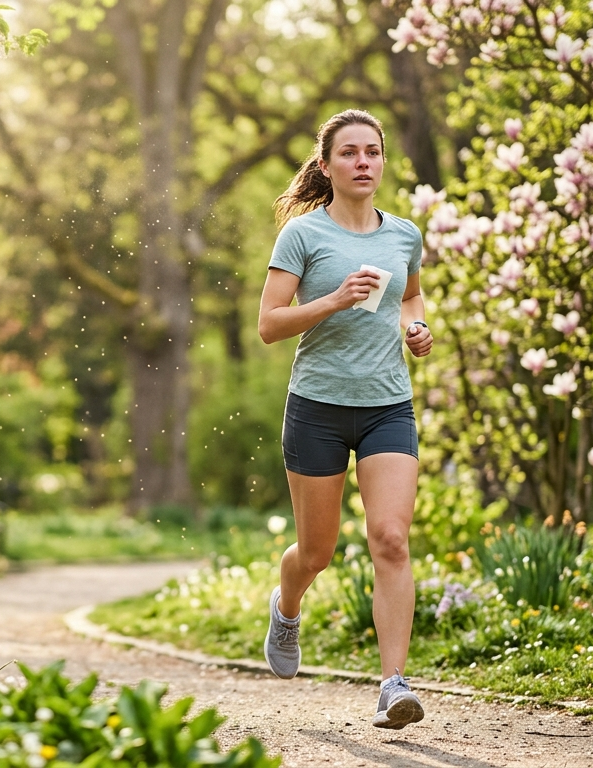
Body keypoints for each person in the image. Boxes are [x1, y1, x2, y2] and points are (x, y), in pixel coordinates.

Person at [255, 109, 433, 729]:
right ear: (327, 166)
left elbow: (409, 294)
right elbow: (269, 324)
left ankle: (393, 686)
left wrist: (415, 326)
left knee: (391, 538)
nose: (363, 162)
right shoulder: (302, 237)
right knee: (317, 552)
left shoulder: (405, 234)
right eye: (350, 153)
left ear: (383, 162)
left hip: (387, 403)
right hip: (318, 408)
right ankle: (287, 604)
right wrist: (332, 300)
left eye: (373, 152)